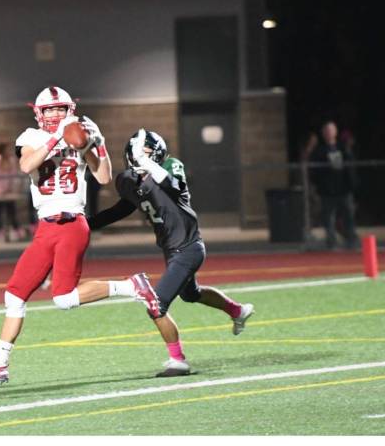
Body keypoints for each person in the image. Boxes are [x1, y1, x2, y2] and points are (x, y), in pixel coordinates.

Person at [0, 86, 111, 388]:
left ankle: (132, 286)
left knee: (65, 299)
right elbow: (27, 164)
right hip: (45, 227)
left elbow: (104, 178)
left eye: (60, 109)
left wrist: (98, 145)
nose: (55, 114)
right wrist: (59, 138)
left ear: (70, 109)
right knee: (14, 295)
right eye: (50, 109)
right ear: (38, 113)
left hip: (71, 222)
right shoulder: (30, 137)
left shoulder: (81, 134)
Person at [74, 129, 254, 378]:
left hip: (189, 247)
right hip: (171, 250)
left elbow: (173, 185)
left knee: (156, 304)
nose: (140, 157)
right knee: (191, 294)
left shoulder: (170, 166)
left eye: (146, 153)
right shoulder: (128, 180)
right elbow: (121, 209)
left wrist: (147, 163)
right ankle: (237, 311)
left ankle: (178, 360)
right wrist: (85, 224)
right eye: (138, 153)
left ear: (155, 155)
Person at [308, 121, 359, 250]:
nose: (329, 133)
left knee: (348, 215)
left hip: (343, 189)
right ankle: (331, 242)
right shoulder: (319, 151)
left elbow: (350, 166)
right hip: (327, 191)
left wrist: (351, 185)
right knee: (328, 218)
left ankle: (351, 240)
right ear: (323, 134)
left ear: (335, 132)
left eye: (331, 130)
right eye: (326, 131)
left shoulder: (342, 148)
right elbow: (313, 170)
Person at [0, 143, 25, 242]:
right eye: (7, 149)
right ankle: (1, 232)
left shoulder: (10, 160)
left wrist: (13, 187)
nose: (9, 152)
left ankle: (16, 230)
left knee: (11, 210)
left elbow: (13, 175)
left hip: (8, 191)